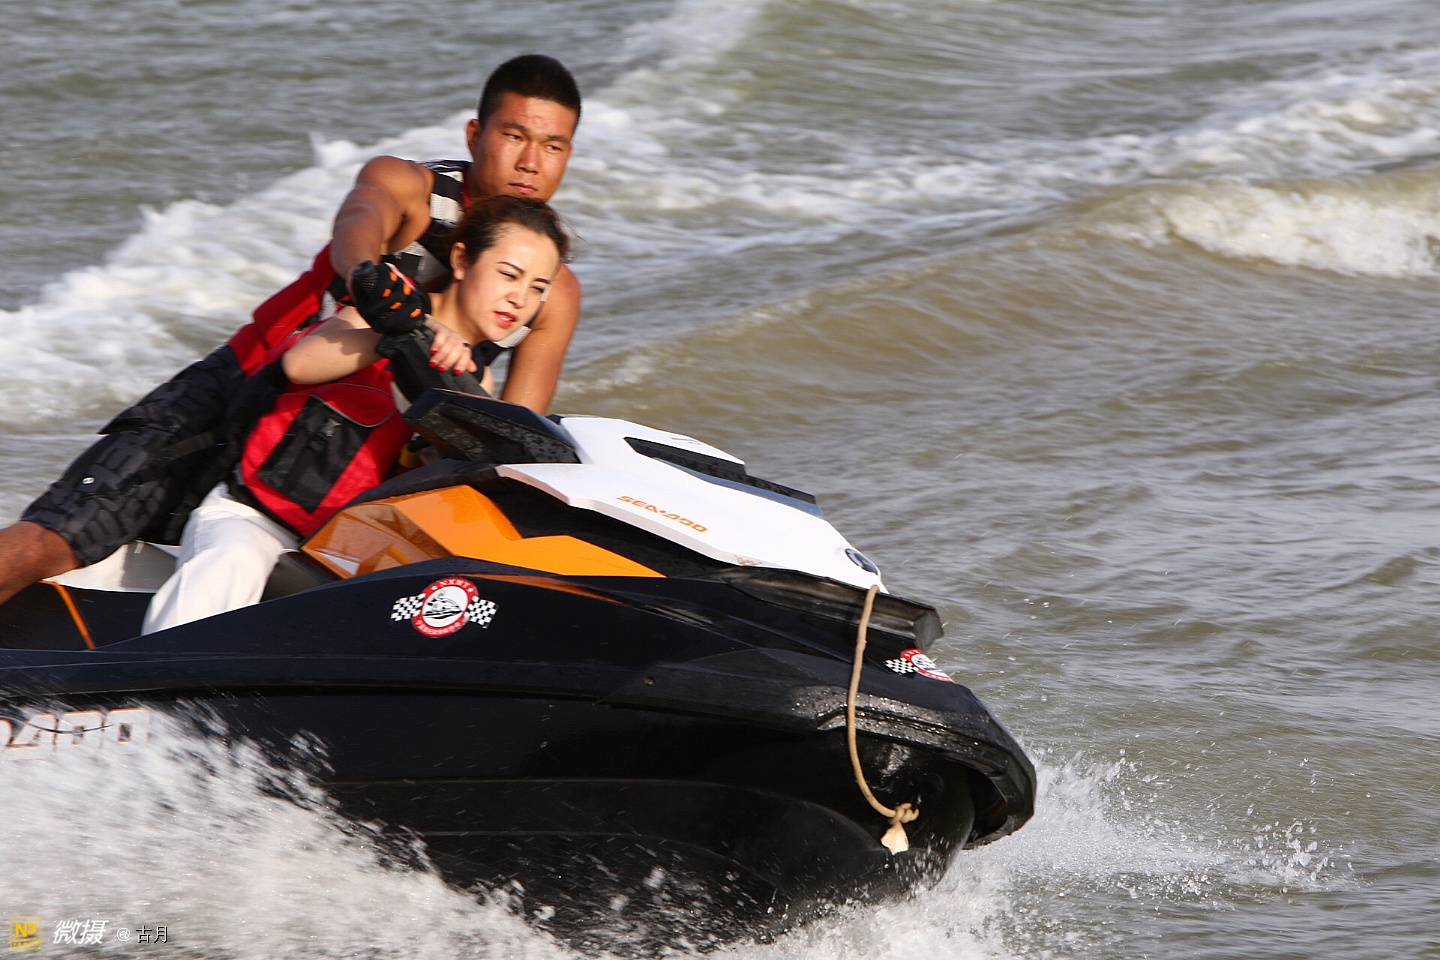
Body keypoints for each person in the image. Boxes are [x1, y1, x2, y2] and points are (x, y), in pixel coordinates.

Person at [0, 54, 582, 608]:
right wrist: (369, 279)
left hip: (348, 453)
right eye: (514, 136)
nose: (531, 162)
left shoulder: (551, 292)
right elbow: (359, 219)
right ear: (475, 135)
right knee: (53, 542)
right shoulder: (411, 190)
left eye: (552, 146)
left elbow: (510, 433)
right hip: (243, 393)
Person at [142, 196, 569, 633]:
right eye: (508, 274)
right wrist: (409, 333)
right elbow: (300, 364)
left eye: (538, 288)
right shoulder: (383, 308)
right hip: (254, 518)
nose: (519, 298)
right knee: (232, 560)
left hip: (349, 553)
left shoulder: (479, 381)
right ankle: (146, 672)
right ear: (461, 260)